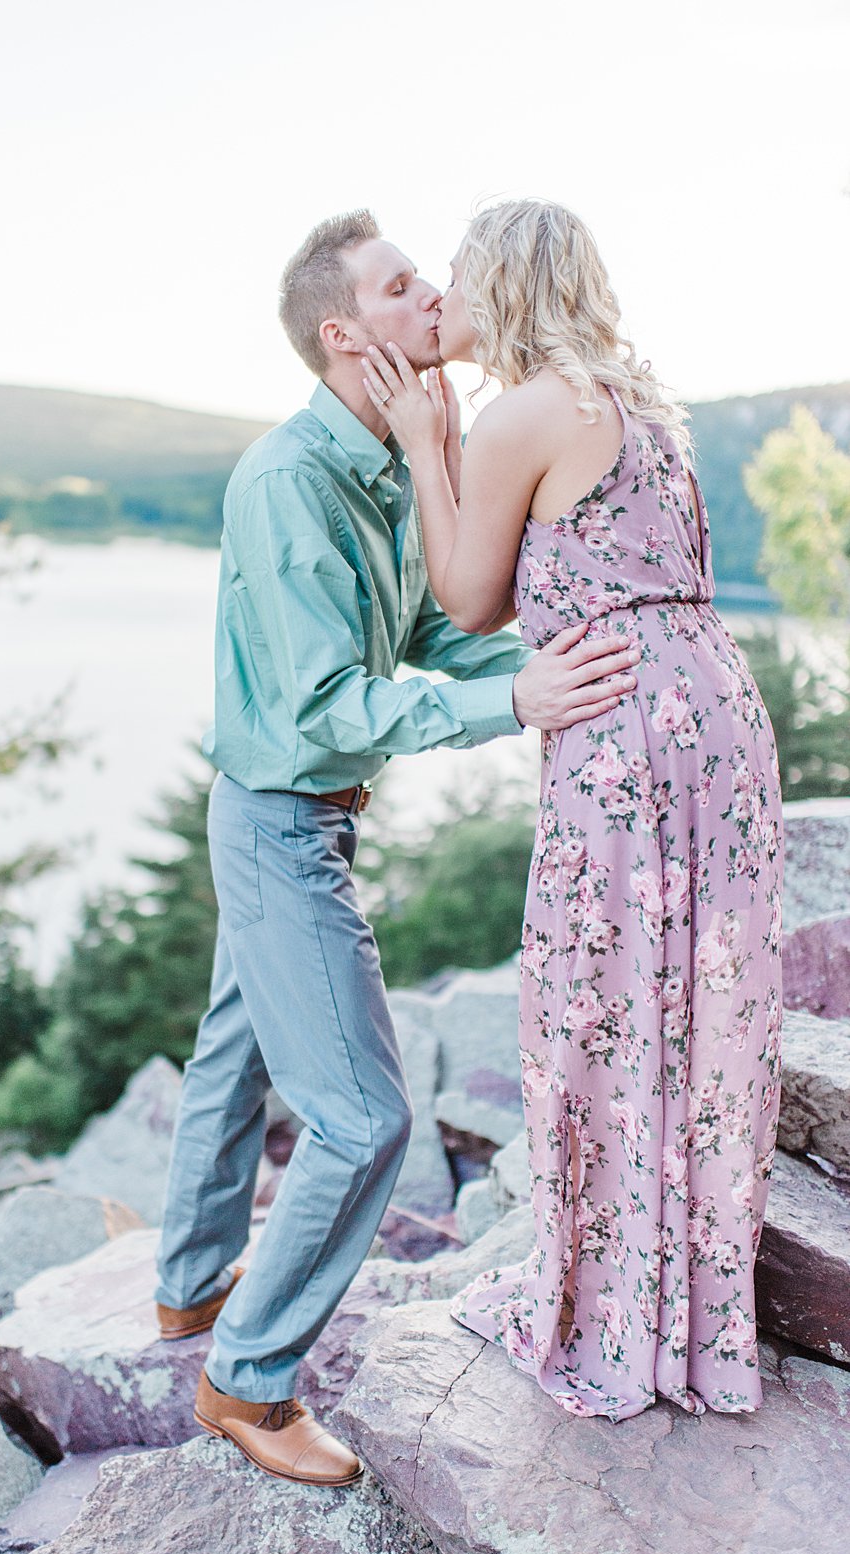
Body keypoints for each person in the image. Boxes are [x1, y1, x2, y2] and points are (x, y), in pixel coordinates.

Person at [152, 209, 643, 1483]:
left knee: (232, 1049)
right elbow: (327, 704)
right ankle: (247, 1386)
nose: (435, 300)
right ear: (341, 333)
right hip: (280, 821)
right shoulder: (287, 480)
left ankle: (187, 1292)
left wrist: (544, 666)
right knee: (365, 1114)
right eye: (402, 286)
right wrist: (512, 705)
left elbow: (435, 630)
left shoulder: (381, 463)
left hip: (296, 815)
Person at [363, 198, 782, 1421]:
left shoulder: (520, 415)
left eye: (459, 274)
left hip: (625, 736)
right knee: (705, 1012)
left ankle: (611, 1316)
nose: (449, 293)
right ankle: (698, 1328)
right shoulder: (639, 403)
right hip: (715, 711)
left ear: (504, 284)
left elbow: (469, 594)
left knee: (600, 1003)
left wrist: (424, 441)